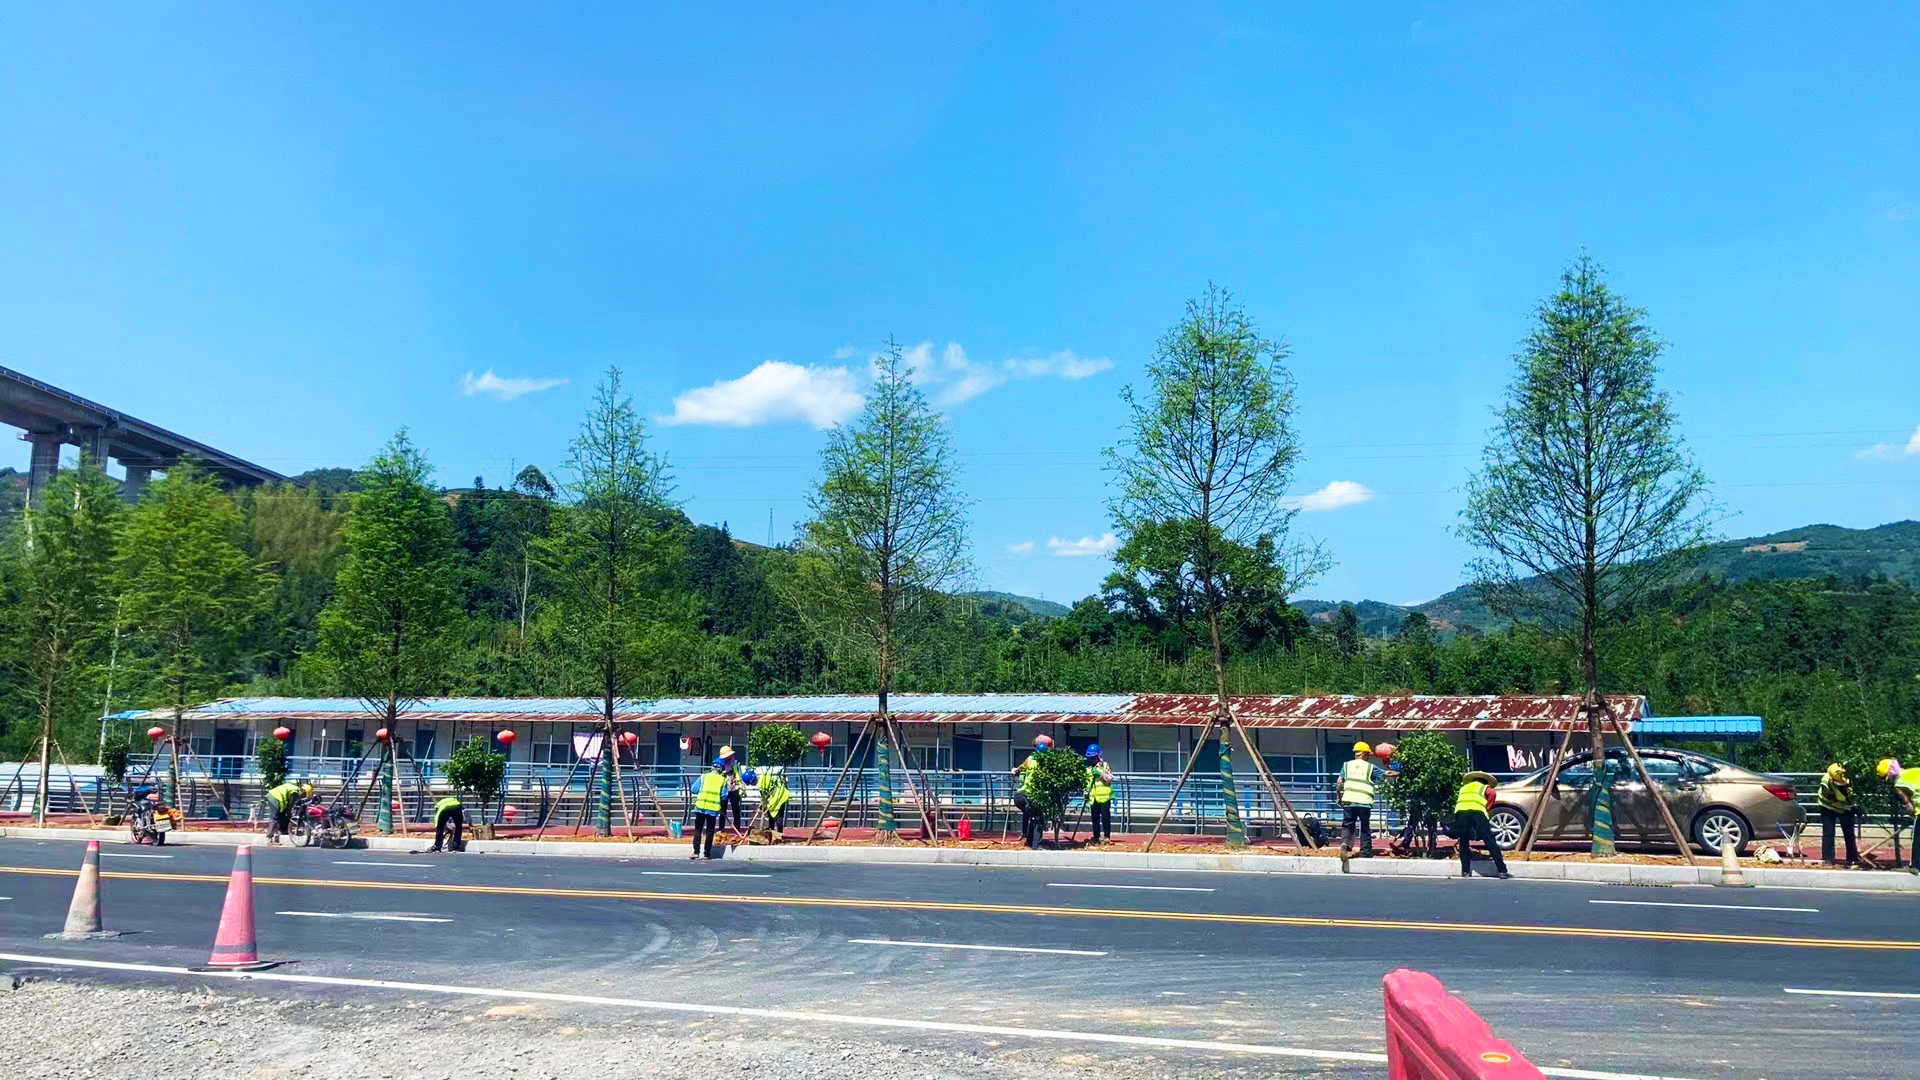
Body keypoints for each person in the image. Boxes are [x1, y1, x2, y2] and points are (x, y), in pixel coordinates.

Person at [1454, 770, 1511, 879]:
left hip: (1461, 813)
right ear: (1485, 781)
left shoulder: (1464, 788)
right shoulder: (1484, 787)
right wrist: (1487, 807)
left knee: (1464, 841)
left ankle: (1465, 871)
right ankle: (1502, 870)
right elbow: (1492, 793)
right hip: (1477, 812)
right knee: (1489, 839)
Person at [1335, 742, 1381, 859]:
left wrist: (1339, 796)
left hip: (1349, 801)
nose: (1369, 757)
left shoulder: (1347, 765)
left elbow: (1339, 782)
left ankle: (1345, 845)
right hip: (1364, 802)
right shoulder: (1370, 767)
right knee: (1365, 827)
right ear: (1364, 754)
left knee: (1348, 825)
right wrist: (1393, 767)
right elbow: (1387, 774)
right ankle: (1365, 853)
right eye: (1368, 755)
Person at [1818, 763, 1861, 867]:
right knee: (1828, 833)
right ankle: (1828, 859)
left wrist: (1855, 806)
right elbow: (1834, 800)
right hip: (1828, 806)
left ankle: (1852, 858)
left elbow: (1853, 796)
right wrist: (1849, 807)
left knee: (1849, 833)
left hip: (1845, 806)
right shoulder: (1826, 783)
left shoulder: (1850, 779)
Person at [1883, 759, 1920, 872]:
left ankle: (1915, 866)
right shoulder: (1915, 771)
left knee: (1918, 838)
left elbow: (1908, 804)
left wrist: (1912, 810)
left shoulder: (1899, 783)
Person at [689, 757, 728, 860]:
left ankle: (696, 852)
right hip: (713, 810)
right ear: (721, 768)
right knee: (710, 831)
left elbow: (693, 789)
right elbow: (724, 796)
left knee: (698, 830)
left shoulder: (704, 777)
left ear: (712, 766)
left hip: (700, 808)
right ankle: (707, 854)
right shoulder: (722, 780)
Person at [1012, 739, 1044, 849]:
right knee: (1038, 819)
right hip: (1030, 795)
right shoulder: (1044, 763)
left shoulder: (1030, 759)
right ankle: (1036, 845)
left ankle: (1029, 840)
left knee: (1032, 816)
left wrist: (1015, 771)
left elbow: (1020, 768)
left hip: (1020, 795)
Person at [1083, 744, 1114, 844]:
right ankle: (1096, 837)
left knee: (1105, 818)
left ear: (1098, 756)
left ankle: (1107, 837)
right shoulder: (1088, 769)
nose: (1092, 759)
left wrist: (1100, 774)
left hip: (1104, 797)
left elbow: (1109, 779)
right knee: (1095, 819)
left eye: (1094, 757)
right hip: (1093, 798)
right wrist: (1086, 793)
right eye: (1091, 758)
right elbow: (1087, 783)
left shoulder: (1105, 766)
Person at [717, 745, 747, 834]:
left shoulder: (735, 764)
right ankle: (721, 829)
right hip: (724, 789)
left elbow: (739, 776)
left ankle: (737, 829)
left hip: (734, 789)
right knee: (723, 810)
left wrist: (741, 787)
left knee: (736, 810)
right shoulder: (720, 764)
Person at [757, 765, 791, 839]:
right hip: (778, 797)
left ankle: (778, 836)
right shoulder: (764, 778)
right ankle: (772, 835)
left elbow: (764, 796)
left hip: (779, 798)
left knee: (778, 818)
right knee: (772, 818)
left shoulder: (761, 783)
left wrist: (763, 805)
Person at [264, 779, 302, 844]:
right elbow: (290, 803)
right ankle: (269, 838)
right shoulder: (295, 791)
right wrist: (289, 811)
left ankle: (283, 830)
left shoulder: (293, 788)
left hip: (273, 796)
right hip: (274, 797)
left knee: (282, 814)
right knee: (275, 818)